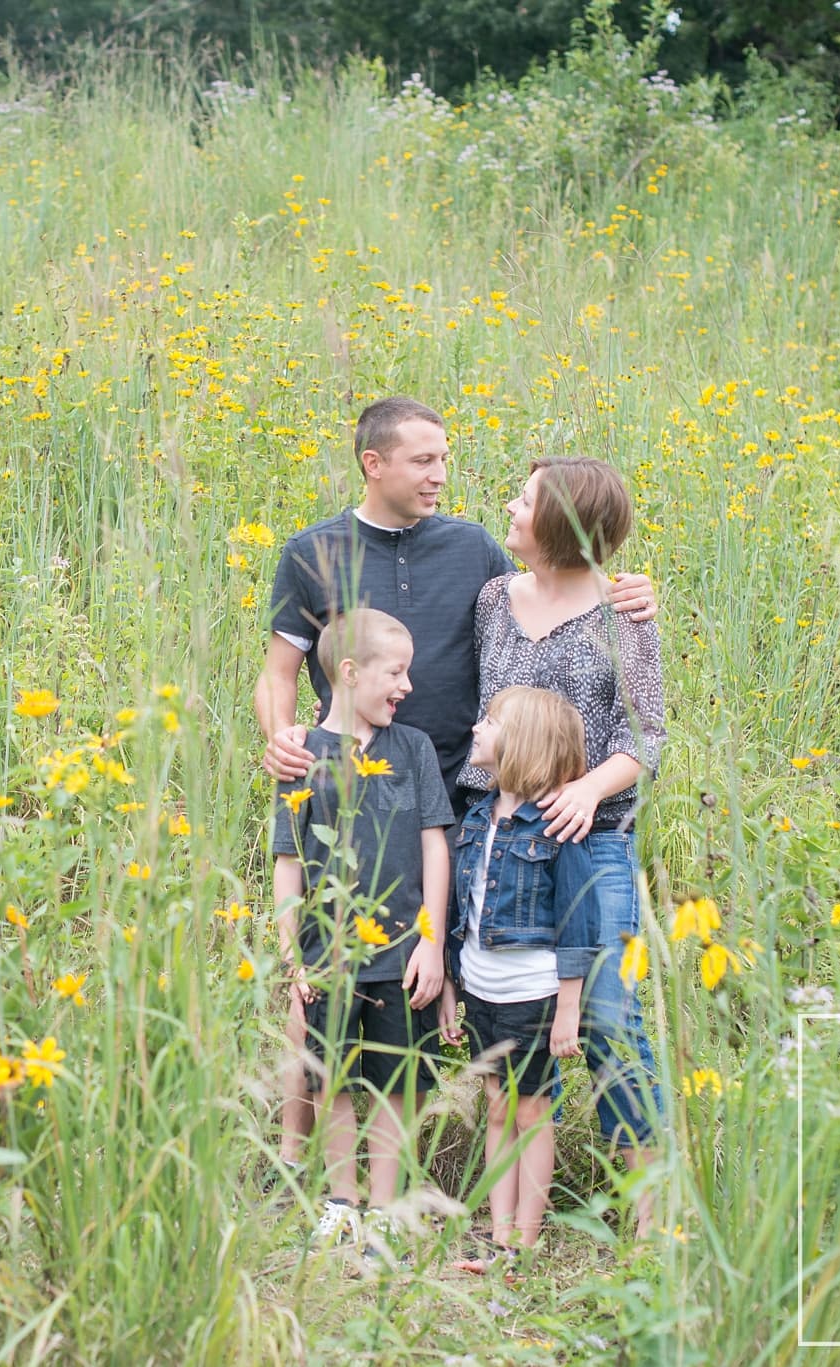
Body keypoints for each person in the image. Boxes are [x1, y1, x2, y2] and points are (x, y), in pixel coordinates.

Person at [254, 397, 656, 1182]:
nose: (443, 474)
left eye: (445, 458)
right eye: (425, 460)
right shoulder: (313, 552)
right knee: (321, 977)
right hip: (352, 796)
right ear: (374, 464)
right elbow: (277, 673)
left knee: (444, 981)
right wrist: (281, 735)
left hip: (465, 802)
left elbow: (556, 589)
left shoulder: (474, 550)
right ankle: (293, 1160)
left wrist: (630, 593)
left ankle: (441, 1168)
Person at [454, 455, 666, 1239]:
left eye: (525, 499)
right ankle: (507, 1208)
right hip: (498, 834)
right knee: (487, 1000)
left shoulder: (624, 612)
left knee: (610, 1014)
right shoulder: (491, 600)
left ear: (561, 523)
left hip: (588, 838)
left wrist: (586, 790)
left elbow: (646, 735)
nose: (509, 507)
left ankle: (651, 1217)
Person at [271, 608, 452, 1271]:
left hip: (404, 953)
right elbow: (288, 862)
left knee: (396, 1082)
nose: (406, 685)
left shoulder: (413, 749)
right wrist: (292, 956)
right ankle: (341, 1202)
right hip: (329, 957)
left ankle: (384, 1207)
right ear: (349, 673)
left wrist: (432, 942)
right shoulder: (303, 756)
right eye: (396, 672)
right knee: (337, 1080)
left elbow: (436, 844)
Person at [437, 686, 599, 1275]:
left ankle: (523, 1240)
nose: (476, 728)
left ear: (522, 743)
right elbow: (465, 912)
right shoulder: (478, 816)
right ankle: (497, 1230)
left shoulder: (556, 827)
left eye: (491, 721)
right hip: (480, 987)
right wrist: (453, 986)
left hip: (532, 995)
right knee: (497, 1106)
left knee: (531, 1112)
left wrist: (568, 1009)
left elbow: (582, 920)